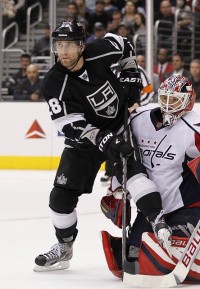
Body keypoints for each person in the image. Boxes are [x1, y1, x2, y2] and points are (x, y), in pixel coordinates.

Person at [33, 20, 171, 272]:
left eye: (69, 45)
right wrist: (103, 139)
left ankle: (158, 222)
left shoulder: (101, 50)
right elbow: (70, 125)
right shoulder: (54, 82)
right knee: (60, 198)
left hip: (119, 127)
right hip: (83, 143)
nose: (63, 52)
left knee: (135, 177)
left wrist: (130, 73)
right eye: (59, 45)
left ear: (81, 46)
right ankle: (64, 247)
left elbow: (125, 44)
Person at [101, 74, 200, 263]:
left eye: (176, 100)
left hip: (188, 206)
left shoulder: (197, 126)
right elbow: (123, 159)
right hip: (151, 208)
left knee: (175, 253)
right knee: (132, 256)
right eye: (165, 99)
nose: (168, 106)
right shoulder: (138, 120)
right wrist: (115, 190)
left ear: (189, 100)